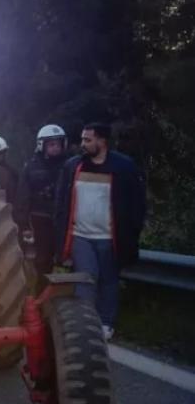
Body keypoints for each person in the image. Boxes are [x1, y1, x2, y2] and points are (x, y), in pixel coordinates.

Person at [55, 123, 146, 341]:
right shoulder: (73, 166)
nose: (83, 144)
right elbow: (61, 201)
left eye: (88, 140)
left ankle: (106, 323)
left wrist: (132, 232)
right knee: (85, 279)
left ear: (102, 141)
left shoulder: (123, 168)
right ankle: (84, 324)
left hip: (109, 237)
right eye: (82, 139)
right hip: (80, 236)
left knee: (108, 280)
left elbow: (136, 204)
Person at [14, 125, 69, 291]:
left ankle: (64, 292)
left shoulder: (70, 165)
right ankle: (41, 293)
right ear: (42, 145)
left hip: (64, 220)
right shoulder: (31, 167)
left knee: (65, 256)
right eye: (51, 144)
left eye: (58, 144)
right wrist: (23, 224)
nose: (55, 148)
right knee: (42, 259)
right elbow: (22, 196)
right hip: (40, 219)